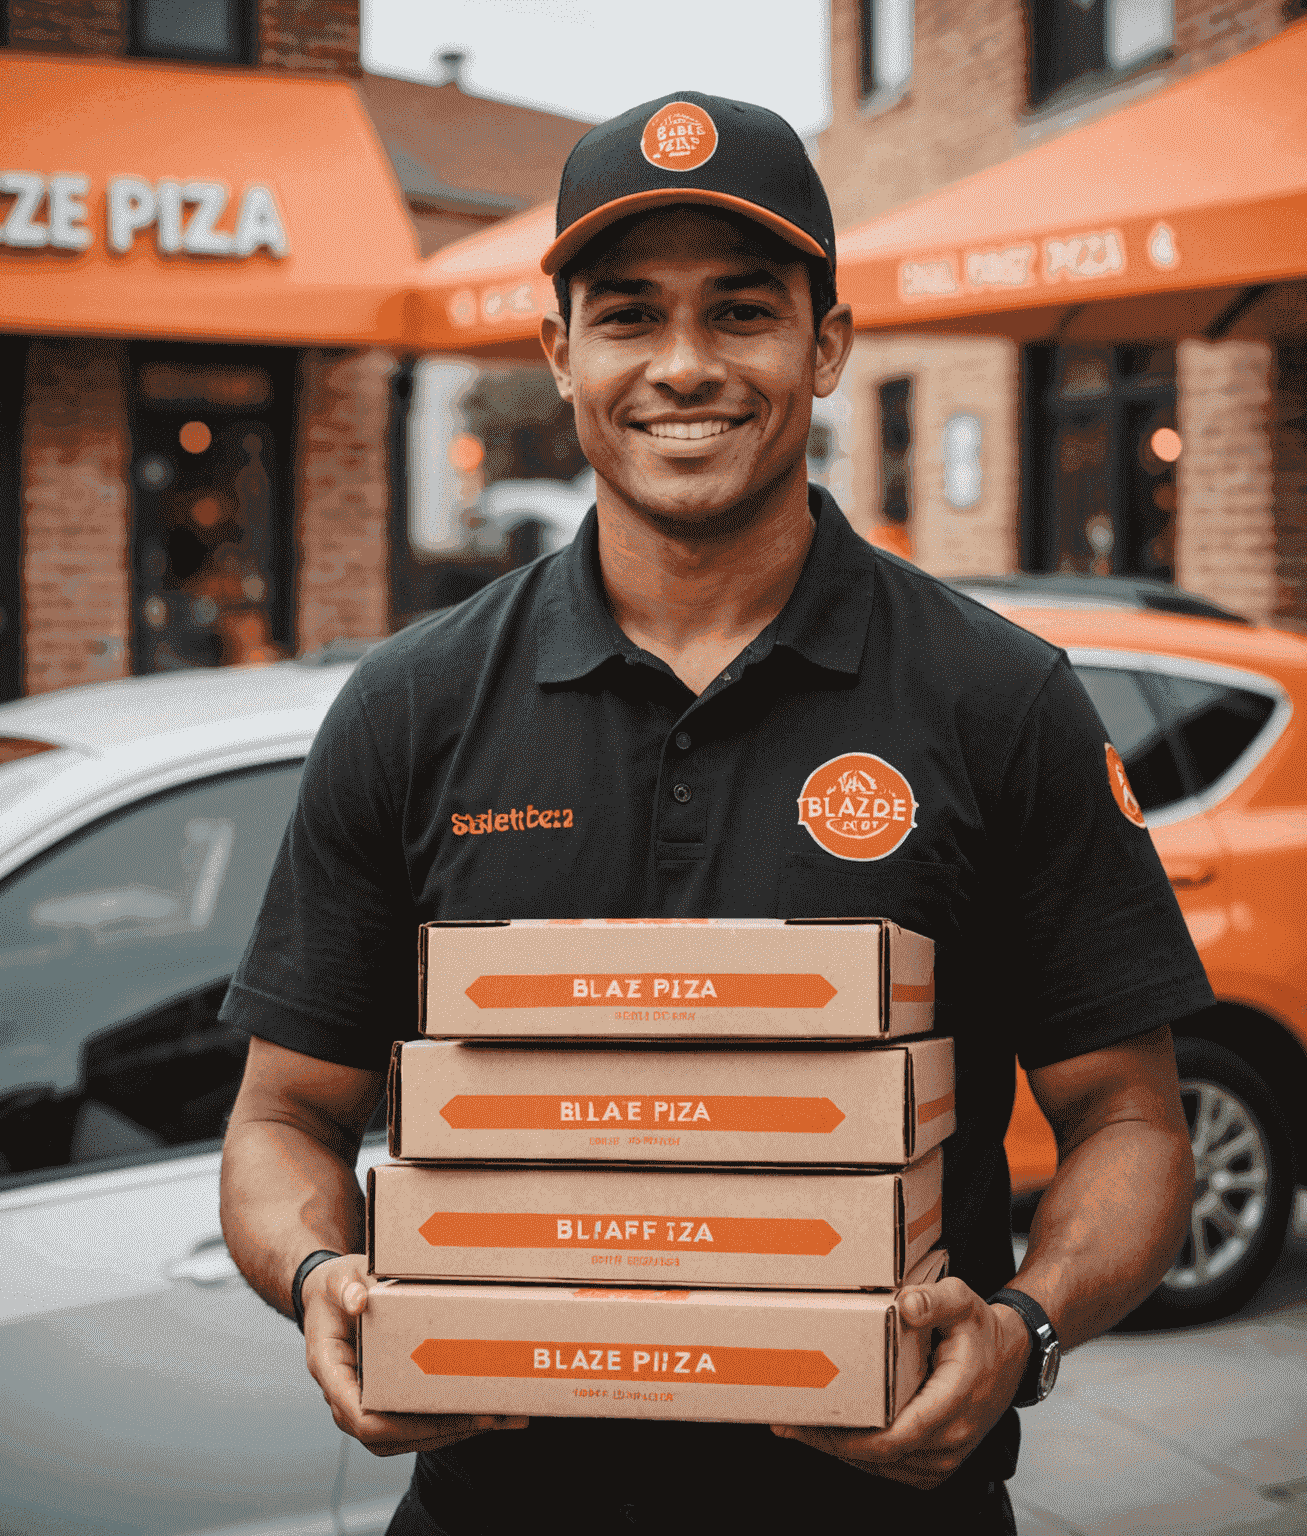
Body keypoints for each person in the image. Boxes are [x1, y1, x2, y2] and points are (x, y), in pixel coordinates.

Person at [218, 90, 1209, 1536]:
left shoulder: (1001, 702)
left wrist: (1028, 1330)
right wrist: (327, 1282)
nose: (684, 367)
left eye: (742, 313)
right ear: (560, 354)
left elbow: (1131, 1119)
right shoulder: (412, 707)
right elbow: (280, 1122)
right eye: (629, 316)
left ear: (827, 345)